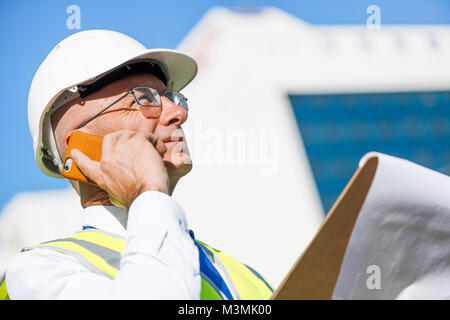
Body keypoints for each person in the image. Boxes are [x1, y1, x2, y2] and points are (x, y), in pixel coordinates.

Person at [0, 30, 273, 300]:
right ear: (78, 146)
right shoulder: (38, 273)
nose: (179, 113)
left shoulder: (246, 276)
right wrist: (147, 193)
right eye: (145, 98)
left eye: (172, 98)